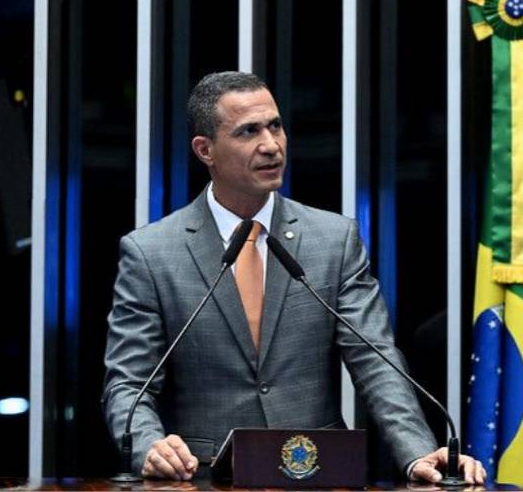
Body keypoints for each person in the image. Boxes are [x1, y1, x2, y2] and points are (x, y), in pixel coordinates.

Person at [102, 71, 485, 484]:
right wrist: (149, 446)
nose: (271, 145)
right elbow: (128, 384)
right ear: (205, 150)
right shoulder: (152, 253)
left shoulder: (333, 240)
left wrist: (416, 453)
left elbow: (376, 361)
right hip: (206, 479)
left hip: (318, 474)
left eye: (275, 126)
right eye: (249, 131)